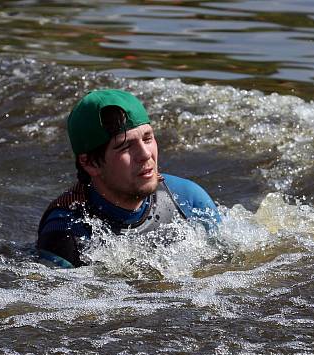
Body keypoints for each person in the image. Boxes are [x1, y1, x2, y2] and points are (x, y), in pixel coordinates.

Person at [37, 89, 220, 268]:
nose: (145, 154)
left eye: (147, 138)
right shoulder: (66, 234)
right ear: (90, 163)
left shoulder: (188, 198)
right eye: (125, 147)